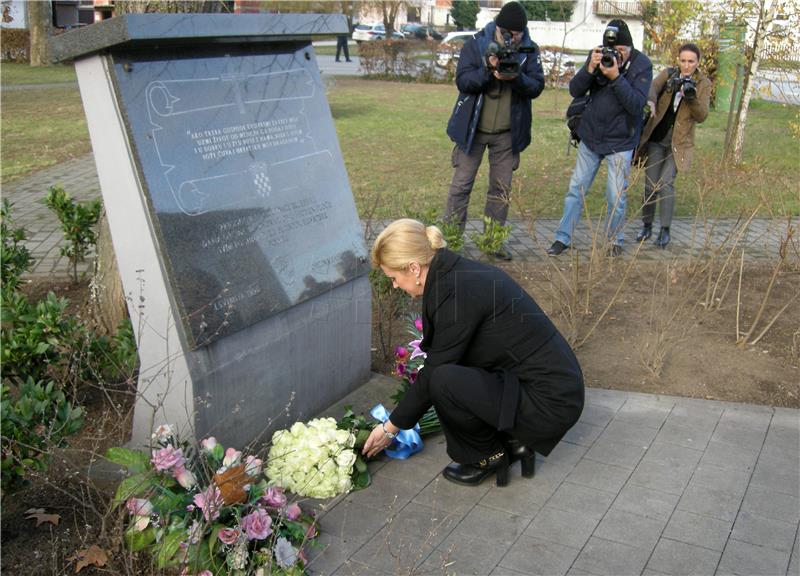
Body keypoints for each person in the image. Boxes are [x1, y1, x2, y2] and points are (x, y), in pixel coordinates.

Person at [363, 219, 584, 487]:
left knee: (442, 380)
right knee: (449, 373)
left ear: (413, 268)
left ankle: (488, 456)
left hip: (550, 402)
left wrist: (390, 428)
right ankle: (512, 441)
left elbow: (435, 372)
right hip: (543, 385)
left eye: (393, 278)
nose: (395, 285)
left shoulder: (455, 293)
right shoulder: (454, 275)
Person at [444, 1, 544, 261]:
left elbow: (536, 86)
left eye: (519, 33)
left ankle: (492, 243)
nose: (514, 37)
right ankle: (451, 242)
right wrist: (489, 71)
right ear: (498, 28)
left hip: (506, 134)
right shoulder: (476, 43)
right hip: (473, 131)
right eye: (510, 32)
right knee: (461, 187)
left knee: (500, 190)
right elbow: (463, 81)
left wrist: (516, 78)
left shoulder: (529, 50)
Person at [547, 19, 652, 257]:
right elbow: (575, 90)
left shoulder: (642, 64)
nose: (617, 55)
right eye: (613, 50)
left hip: (621, 141)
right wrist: (589, 69)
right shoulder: (597, 57)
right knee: (576, 189)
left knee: (616, 195)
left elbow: (636, 105)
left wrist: (616, 77)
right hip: (592, 136)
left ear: (629, 48)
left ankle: (615, 240)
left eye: (622, 51)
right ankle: (562, 238)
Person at [634, 43, 711, 248]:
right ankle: (647, 225)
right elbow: (652, 87)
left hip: (679, 144)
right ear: (678, 60)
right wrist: (650, 102)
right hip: (657, 139)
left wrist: (691, 96)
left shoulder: (703, 83)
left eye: (691, 61)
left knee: (666, 183)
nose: (686, 66)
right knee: (650, 185)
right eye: (683, 60)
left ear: (697, 63)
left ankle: (665, 230)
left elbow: (702, 115)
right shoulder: (668, 74)